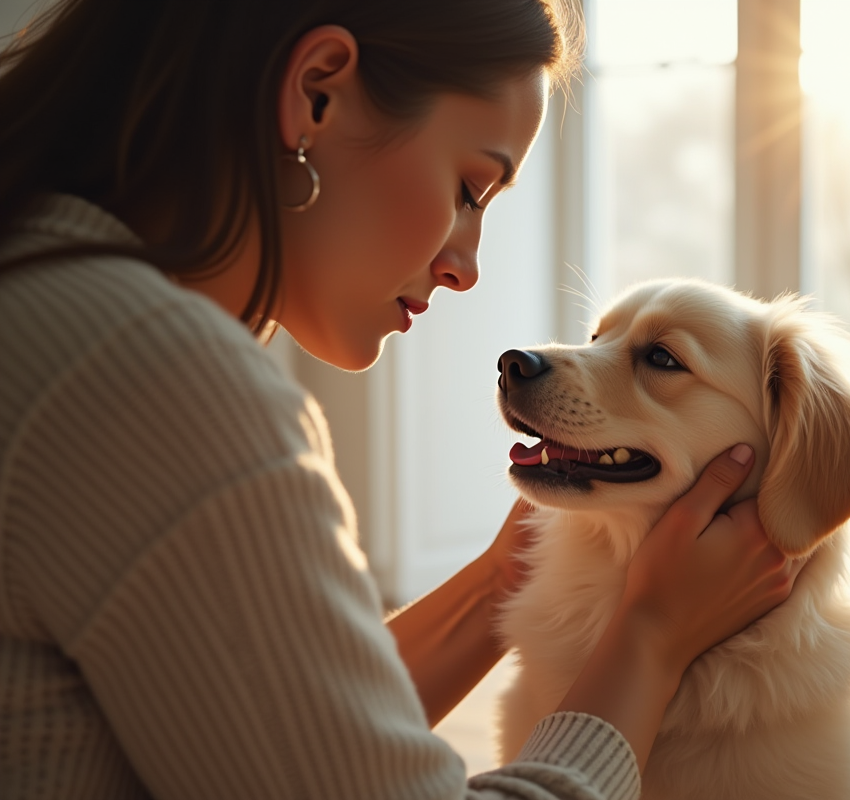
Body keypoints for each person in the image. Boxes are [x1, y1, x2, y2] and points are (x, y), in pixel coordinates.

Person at [0, 1, 802, 798]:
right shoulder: (147, 376)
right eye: (469, 188)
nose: (466, 267)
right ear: (316, 93)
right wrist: (649, 640)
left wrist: (503, 581)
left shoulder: (47, 299)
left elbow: (285, 733)